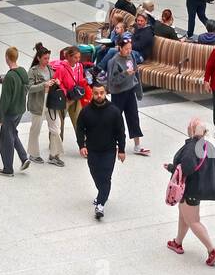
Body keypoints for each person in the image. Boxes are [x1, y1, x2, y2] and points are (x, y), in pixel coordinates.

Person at [166, 118, 215, 265]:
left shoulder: (191, 147)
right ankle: (177, 242)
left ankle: (213, 250)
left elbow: (186, 168)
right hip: (198, 189)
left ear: (192, 130)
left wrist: (171, 168)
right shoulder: (208, 146)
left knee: (193, 221)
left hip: (190, 190)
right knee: (184, 215)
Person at [76, 83, 125, 220]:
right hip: (92, 151)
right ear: (92, 94)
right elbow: (80, 129)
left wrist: (121, 149)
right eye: (96, 93)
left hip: (109, 150)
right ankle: (101, 194)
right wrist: (82, 145)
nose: (99, 96)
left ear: (105, 93)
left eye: (102, 93)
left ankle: (100, 204)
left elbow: (120, 131)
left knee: (106, 178)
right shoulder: (85, 111)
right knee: (96, 176)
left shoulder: (114, 111)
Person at [0, 46, 33, 177]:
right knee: (12, 133)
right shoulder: (23, 72)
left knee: (5, 140)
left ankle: (8, 168)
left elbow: (5, 99)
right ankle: (24, 158)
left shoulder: (10, 77)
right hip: (20, 110)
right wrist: (5, 81)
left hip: (10, 112)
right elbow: (23, 86)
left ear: (7, 58)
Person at [105, 37, 150, 157]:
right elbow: (112, 81)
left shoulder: (131, 57)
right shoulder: (113, 61)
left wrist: (139, 91)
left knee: (134, 117)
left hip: (130, 92)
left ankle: (137, 145)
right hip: (118, 94)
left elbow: (136, 75)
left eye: (130, 48)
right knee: (116, 119)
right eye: (126, 49)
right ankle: (113, 142)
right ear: (120, 48)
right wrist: (124, 74)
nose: (129, 51)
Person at [26, 44, 65, 167]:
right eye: (45, 58)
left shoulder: (50, 69)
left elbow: (54, 81)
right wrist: (44, 85)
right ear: (38, 58)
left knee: (56, 127)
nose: (47, 61)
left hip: (51, 102)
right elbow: (29, 88)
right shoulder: (33, 71)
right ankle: (33, 153)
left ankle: (54, 154)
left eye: (48, 58)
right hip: (38, 103)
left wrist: (56, 82)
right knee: (35, 129)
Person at [53, 44, 88, 144]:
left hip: (75, 98)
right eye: (75, 57)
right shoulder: (61, 68)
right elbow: (57, 82)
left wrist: (84, 83)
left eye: (79, 57)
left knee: (79, 121)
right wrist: (65, 93)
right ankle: (56, 145)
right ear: (68, 57)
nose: (77, 60)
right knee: (59, 124)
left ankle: (83, 144)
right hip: (64, 99)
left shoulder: (79, 66)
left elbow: (80, 80)